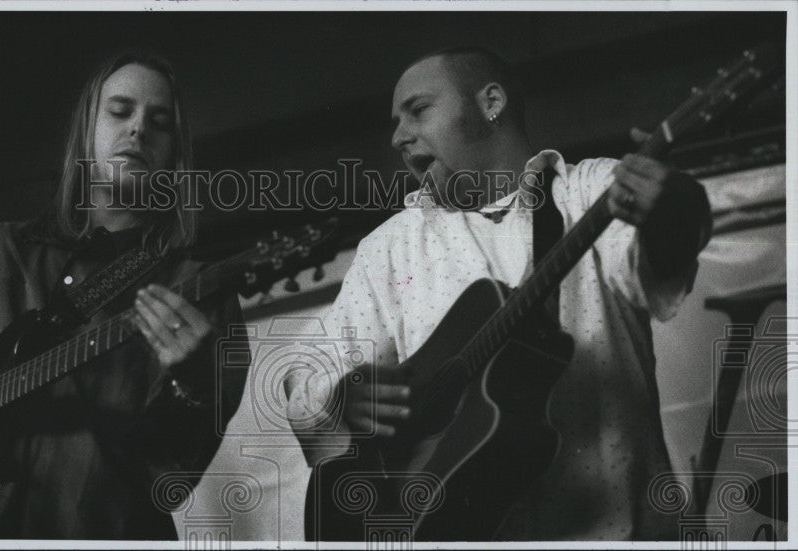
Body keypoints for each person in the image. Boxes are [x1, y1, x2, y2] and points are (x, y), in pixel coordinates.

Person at [285, 47, 711, 540]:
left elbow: (665, 250)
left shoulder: (590, 190)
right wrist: (340, 397)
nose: (399, 137)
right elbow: (306, 369)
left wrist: (678, 204)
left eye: (418, 110)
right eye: (397, 121)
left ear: (490, 102)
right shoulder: (388, 248)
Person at [0, 51, 248, 539]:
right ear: (87, 131)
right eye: (120, 111)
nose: (139, 129)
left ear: (175, 153)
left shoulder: (200, 292)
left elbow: (168, 481)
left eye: (160, 122)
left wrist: (195, 385)